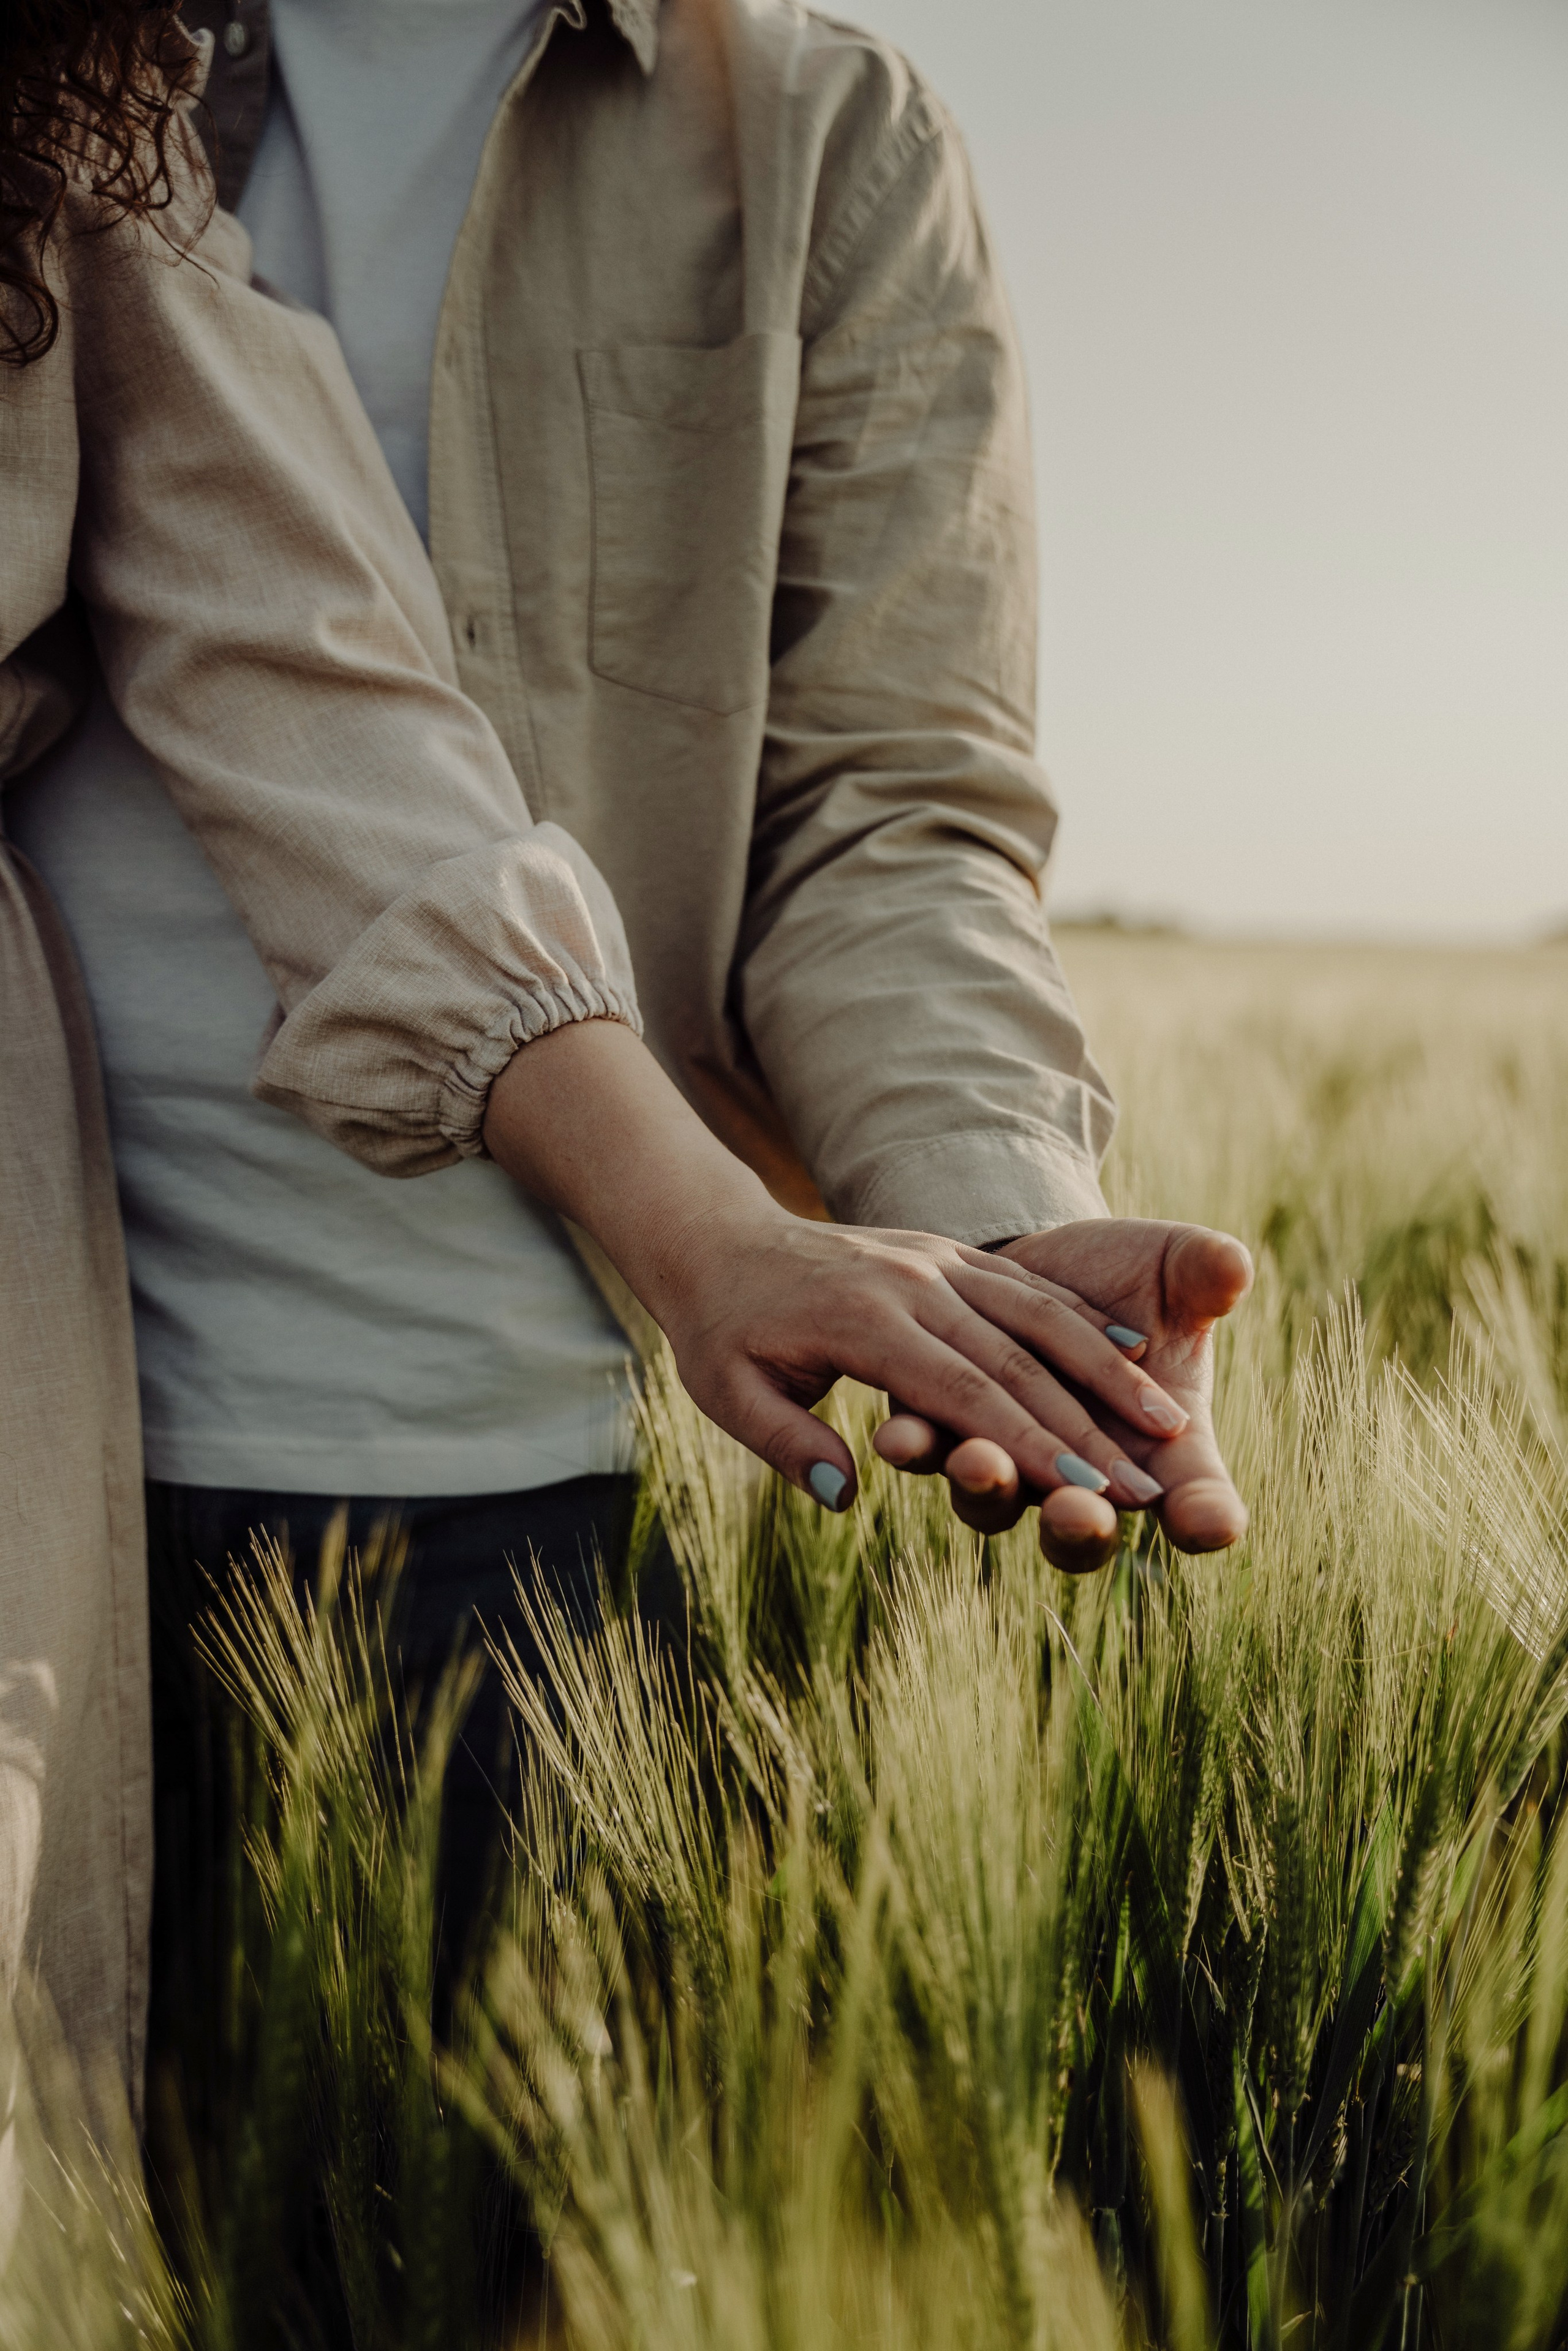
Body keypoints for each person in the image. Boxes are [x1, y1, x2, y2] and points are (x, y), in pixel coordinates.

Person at [2, 0, 1244, 2111]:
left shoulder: (817, 135)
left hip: (479, 1463)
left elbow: (881, 815)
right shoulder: (71, 58)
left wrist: (988, 1229)